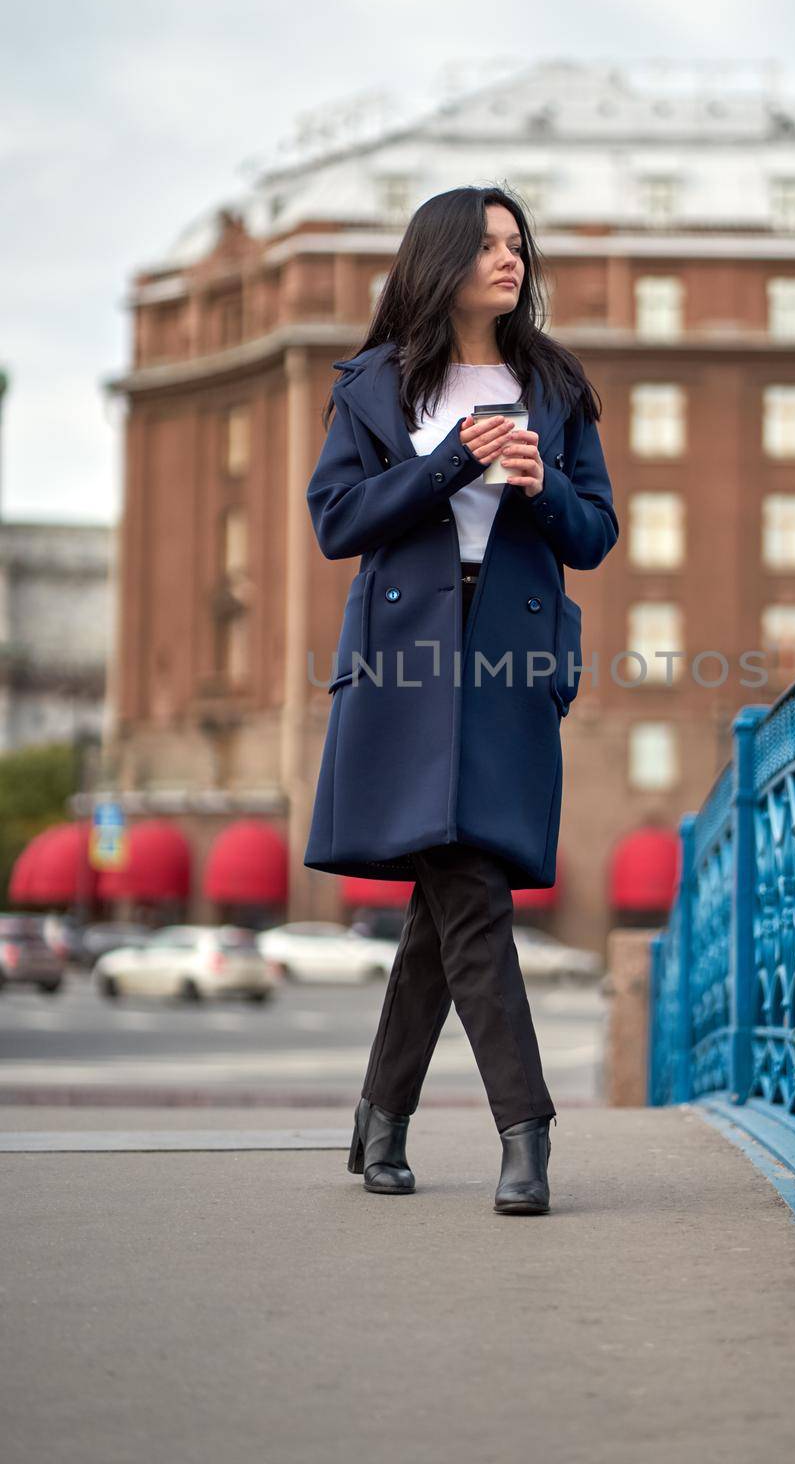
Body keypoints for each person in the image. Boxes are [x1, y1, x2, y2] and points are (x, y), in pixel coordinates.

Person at [304, 185, 619, 1215]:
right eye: (486, 243)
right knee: (467, 890)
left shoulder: (555, 384)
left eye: (517, 243)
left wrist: (538, 483)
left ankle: (380, 1118)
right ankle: (523, 1131)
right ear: (438, 257)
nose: (508, 258)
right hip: (404, 659)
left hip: (510, 658)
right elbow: (339, 522)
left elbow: (593, 535)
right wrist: (453, 461)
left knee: (449, 902)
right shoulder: (372, 386)